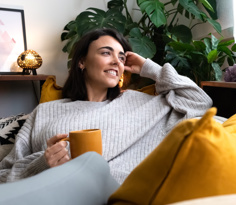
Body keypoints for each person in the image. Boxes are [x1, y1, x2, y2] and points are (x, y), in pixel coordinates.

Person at [0, 28, 212, 184]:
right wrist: (42, 165)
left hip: (117, 193)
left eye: (121, 57)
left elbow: (199, 102)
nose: (116, 62)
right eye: (105, 53)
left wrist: (149, 67)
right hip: (52, 190)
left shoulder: (143, 104)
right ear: (82, 61)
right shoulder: (45, 111)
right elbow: (4, 175)